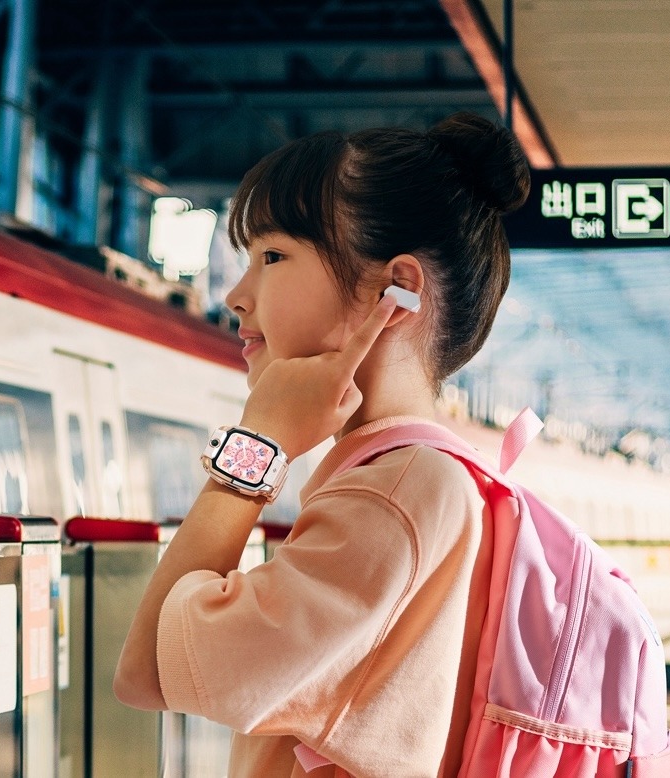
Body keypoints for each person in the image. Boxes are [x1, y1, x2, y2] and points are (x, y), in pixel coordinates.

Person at [113, 112, 530, 777]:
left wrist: (260, 442)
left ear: (397, 290)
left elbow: (145, 674)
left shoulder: (392, 494)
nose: (236, 296)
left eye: (273, 256)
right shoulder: (427, 479)